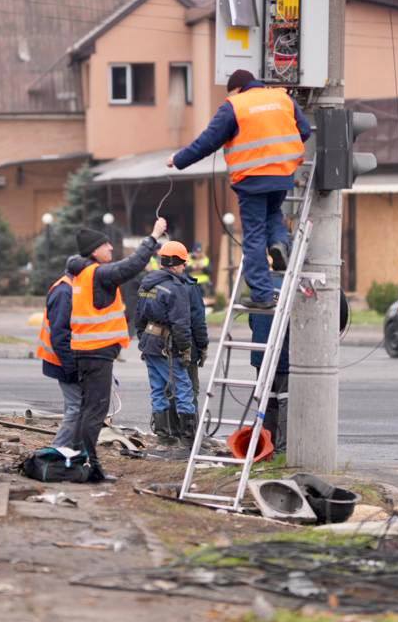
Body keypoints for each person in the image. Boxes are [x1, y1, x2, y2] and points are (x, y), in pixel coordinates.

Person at [168, 69, 311, 309]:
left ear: (236, 89)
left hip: (252, 179)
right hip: (282, 175)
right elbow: (304, 131)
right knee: (274, 214)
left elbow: (207, 142)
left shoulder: (234, 105)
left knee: (254, 233)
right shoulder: (282, 97)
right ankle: (279, 245)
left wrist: (178, 159)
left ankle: (263, 294)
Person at [70, 217, 168, 483]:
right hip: (95, 352)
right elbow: (132, 266)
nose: (111, 248)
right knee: (95, 411)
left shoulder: (83, 273)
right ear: (94, 251)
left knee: (88, 409)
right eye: (105, 245)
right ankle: (89, 467)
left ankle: (78, 462)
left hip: (88, 352)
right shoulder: (98, 274)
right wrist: (154, 236)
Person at [249, 276, 350, 454]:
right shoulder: (306, 282)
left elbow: (252, 320)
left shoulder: (263, 283)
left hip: (262, 354)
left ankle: (266, 450)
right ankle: (284, 451)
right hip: (287, 355)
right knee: (286, 401)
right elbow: (339, 312)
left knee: (268, 402)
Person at [135, 241, 208, 445]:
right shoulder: (176, 288)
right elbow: (181, 324)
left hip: (150, 343)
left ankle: (164, 432)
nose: (185, 267)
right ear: (176, 264)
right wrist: (186, 349)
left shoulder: (147, 283)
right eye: (183, 264)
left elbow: (138, 318)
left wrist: (144, 339)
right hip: (167, 346)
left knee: (158, 387)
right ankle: (187, 435)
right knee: (184, 387)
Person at [35, 255, 86, 450]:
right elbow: (60, 335)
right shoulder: (65, 292)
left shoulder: (67, 287)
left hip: (63, 359)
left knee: (74, 407)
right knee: (76, 407)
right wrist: (72, 366)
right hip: (62, 360)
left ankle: (73, 449)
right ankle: (58, 449)